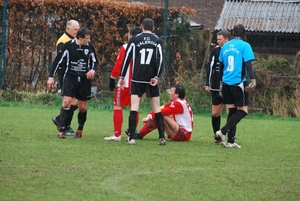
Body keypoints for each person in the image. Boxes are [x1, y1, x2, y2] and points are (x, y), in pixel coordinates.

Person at [119, 18, 165, 145]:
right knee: (156, 108)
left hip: (137, 78)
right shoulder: (158, 40)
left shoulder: (134, 39)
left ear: (142, 27)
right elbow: (161, 59)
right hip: (151, 80)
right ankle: (161, 137)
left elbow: (127, 58)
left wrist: (122, 76)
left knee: (134, 107)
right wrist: (157, 76)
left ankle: (132, 138)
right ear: (154, 28)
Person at [47, 27, 98, 138]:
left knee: (82, 107)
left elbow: (95, 61)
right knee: (67, 102)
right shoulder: (68, 46)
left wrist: (92, 70)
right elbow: (57, 62)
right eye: (87, 38)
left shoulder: (89, 47)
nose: (89, 40)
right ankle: (61, 130)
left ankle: (80, 129)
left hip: (84, 80)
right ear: (80, 37)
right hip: (70, 78)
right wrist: (51, 77)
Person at [216, 24, 256, 148]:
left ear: (232, 32)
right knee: (243, 111)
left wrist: (221, 82)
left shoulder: (225, 46)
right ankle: (222, 132)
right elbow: (248, 64)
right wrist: (253, 79)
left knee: (232, 111)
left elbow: (221, 65)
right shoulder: (245, 45)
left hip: (226, 81)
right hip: (238, 82)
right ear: (244, 34)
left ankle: (231, 141)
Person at [104, 26, 142, 141]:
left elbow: (120, 63)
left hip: (124, 83)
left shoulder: (126, 47)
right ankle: (131, 134)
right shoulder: (144, 48)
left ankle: (117, 135)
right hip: (139, 83)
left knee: (118, 106)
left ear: (130, 35)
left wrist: (112, 77)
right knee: (134, 108)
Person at [205, 30, 236, 144]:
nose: (217, 41)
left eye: (220, 39)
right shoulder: (215, 51)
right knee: (215, 113)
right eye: (217, 39)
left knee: (231, 112)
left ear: (227, 39)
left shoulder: (232, 51)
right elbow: (210, 67)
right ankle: (217, 136)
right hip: (216, 86)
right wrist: (207, 83)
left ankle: (231, 136)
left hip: (229, 86)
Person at [51, 20, 80, 136]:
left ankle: (60, 119)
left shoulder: (74, 40)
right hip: (65, 74)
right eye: (75, 29)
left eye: (78, 29)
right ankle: (65, 126)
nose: (77, 31)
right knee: (70, 100)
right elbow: (61, 60)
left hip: (74, 74)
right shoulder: (63, 41)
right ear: (67, 29)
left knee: (77, 101)